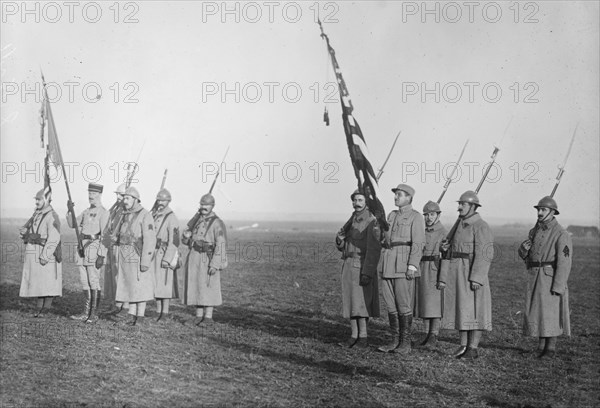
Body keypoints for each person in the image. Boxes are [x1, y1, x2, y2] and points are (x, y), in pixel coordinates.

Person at [439, 191, 493, 359]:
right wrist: (445, 248)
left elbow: (485, 254)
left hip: (471, 273)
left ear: (473, 206)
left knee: (476, 311)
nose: (459, 207)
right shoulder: (460, 224)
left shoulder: (481, 226)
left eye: (463, 204)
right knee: (462, 309)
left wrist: (477, 277)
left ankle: (473, 348)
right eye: (459, 203)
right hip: (458, 272)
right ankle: (463, 345)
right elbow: (453, 248)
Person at [518, 196, 572, 358]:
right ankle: (541, 346)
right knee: (538, 312)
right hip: (535, 277)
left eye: (543, 210)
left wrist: (558, 285)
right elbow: (529, 258)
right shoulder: (534, 232)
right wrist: (523, 250)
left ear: (553, 212)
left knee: (550, 313)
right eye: (538, 210)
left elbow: (565, 262)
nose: (540, 213)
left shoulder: (561, 234)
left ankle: (550, 348)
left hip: (550, 278)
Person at [377, 184, 425, 354]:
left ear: (409, 198)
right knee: (390, 305)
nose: (396, 197)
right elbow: (384, 239)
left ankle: (405, 343)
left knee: (403, 305)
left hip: (403, 266)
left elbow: (418, 243)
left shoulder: (416, 217)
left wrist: (412, 266)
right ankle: (394, 340)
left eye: (399, 194)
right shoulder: (391, 215)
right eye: (395, 194)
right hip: (387, 263)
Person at [335, 189, 381, 348]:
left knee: (361, 304)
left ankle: (363, 337)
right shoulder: (353, 220)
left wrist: (367, 272)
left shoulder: (371, 221)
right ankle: (353, 336)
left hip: (361, 266)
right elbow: (345, 246)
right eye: (355, 200)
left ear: (366, 202)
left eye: (360, 200)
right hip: (348, 265)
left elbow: (374, 250)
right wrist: (340, 240)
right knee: (351, 303)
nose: (357, 203)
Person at [182, 193, 228, 325]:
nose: (203, 207)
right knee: (197, 286)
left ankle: (208, 317)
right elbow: (186, 241)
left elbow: (221, 244)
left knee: (208, 286)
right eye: (202, 204)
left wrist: (215, 264)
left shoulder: (217, 223)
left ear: (212, 206)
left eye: (206, 205)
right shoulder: (196, 221)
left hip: (208, 258)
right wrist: (186, 237)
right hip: (195, 256)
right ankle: (198, 316)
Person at [114, 186, 156, 326]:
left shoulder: (145, 215)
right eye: (124, 198)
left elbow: (150, 240)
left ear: (135, 199)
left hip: (138, 255)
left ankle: (140, 316)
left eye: (127, 198)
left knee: (140, 287)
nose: (124, 201)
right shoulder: (125, 214)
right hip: (125, 256)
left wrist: (145, 261)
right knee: (130, 285)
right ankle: (131, 315)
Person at [67, 183, 109, 323]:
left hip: (94, 250)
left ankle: (93, 314)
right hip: (82, 249)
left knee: (93, 281)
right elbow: (72, 224)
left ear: (99, 194)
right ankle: (85, 312)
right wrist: (69, 210)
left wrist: (102, 255)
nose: (91, 196)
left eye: (94, 193)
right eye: (89, 193)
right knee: (85, 282)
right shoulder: (85, 212)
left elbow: (106, 236)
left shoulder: (104, 212)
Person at [19, 189, 62, 317]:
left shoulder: (52, 216)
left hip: (46, 253)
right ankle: (39, 307)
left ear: (47, 200)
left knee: (48, 282)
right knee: (39, 280)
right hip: (35, 251)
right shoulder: (36, 214)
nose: (37, 202)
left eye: (39, 199)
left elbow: (54, 238)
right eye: (36, 199)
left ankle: (46, 308)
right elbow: (33, 231)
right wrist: (25, 233)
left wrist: (45, 255)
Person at [415, 200, 447, 347]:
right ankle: (426, 333)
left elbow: (446, 257)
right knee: (424, 303)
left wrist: (442, 278)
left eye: (432, 214)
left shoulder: (443, 232)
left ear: (438, 215)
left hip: (435, 269)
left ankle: (434, 334)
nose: (428, 218)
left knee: (434, 305)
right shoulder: (421, 231)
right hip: (422, 268)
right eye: (426, 215)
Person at [150, 188, 180, 322]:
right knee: (156, 284)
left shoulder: (171, 217)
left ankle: (165, 312)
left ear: (168, 201)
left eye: (163, 200)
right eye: (159, 200)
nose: (161, 202)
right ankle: (158, 311)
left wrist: (167, 259)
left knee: (165, 284)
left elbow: (174, 241)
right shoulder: (155, 215)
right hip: (154, 254)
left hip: (164, 253)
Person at [101, 183, 127, 314]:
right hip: (111, 246)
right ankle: (113, 301)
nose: (118, 197)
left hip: (120, 247)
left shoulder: (127, 211)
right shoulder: (115, 209)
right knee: (110, 275)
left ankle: (122, 305)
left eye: (121, 195)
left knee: (120, 276)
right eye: (117, 194)